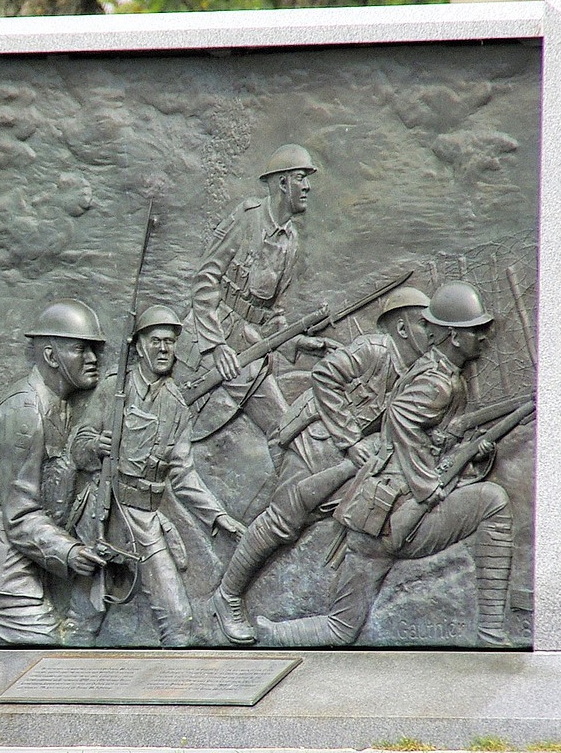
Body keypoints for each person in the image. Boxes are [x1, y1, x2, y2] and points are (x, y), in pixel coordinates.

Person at [256, 281, 518, 648]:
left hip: (374, 514)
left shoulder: (433, 371)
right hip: (396, 517)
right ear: (455, 337)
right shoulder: (438, 383)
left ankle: (271, 635)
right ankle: (490, 632)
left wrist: (468, 453)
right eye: (477, 330)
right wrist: (429, 485)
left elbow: (427, 436)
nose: (486, 337)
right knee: (494, 502)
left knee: (342, 628)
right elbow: (400, 418)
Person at [208, 286, 432, 644]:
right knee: (283, 520)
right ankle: (228, 595)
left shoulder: (418, 371)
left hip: (347, 458)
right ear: (403, 328)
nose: (432, 331)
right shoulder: (374, 349)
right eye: (424, 324)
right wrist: (351, 440)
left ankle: (327, 615)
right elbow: (325, 377)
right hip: (313, 438)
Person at [75, 305, 246, 646]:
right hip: (105, 514)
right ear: (139, 345)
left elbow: (183, 474)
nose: (164, 349)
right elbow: (77, 447)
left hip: (145, 520)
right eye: (155, 341)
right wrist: (97, 444)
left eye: (170, 342)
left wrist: (220, 517)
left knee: (179, 620)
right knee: (84, 615)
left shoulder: (175, 406)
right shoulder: (114, 389)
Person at [0, 300, 108, 645]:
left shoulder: (57, 405)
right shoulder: (25, 413)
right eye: (81, 349)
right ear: (51, 356)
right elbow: (20, 516)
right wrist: (70, 552)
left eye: (95, 349)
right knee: (46, 647)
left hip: (25, 562)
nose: (93, 359)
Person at [178, 143, 331, 441]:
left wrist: (297, 342)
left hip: (247, 351)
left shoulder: (291, 241)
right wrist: (215, 346)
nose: (308, 187)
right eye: (302, 177)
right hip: (204, 343)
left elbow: (274, 315)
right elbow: (205, 281)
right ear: (283, 182)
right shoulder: (247, 217)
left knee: (285, 429)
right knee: (167, 423)